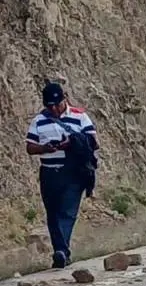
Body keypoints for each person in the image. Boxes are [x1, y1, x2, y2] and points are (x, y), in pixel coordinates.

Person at [25, 80, 99, 268]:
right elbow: (30, 147)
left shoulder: (80, 116)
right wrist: (44, 148)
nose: (54, 109)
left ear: (64, 99)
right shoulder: (38, 121)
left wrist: (72, 143)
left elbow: (93, 142)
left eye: (57, 105)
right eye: (50, 106)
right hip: (49, 173)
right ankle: (61, 251)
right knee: (52, 213)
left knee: (67, 211)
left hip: (73, 172)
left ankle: (61, 251)